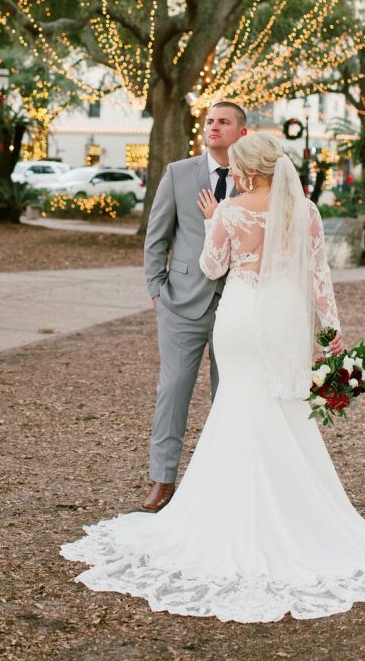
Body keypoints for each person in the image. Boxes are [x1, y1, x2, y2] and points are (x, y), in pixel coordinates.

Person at [61, 132, 365, 622]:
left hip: (241, 318)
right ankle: (296, 513)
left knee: (237, 404)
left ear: (246, 169)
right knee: (282, 404)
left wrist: (209, 222)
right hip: (285, 318)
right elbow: (318, 277)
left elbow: (211, 266)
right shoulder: (304, 211)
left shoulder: (230, 210)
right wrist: (332, 335)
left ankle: (228, 513)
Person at [139, 101, 247, 513]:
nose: (213, 127)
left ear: (241, 132)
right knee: (173, 392)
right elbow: (156, 236)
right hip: (180, 303)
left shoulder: (254, 180)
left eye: (223, 122)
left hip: (236, 305)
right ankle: (161, 481)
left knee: (231, 395)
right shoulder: (178, 173)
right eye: (209, 121)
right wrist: (156, 290)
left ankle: (226, 482)